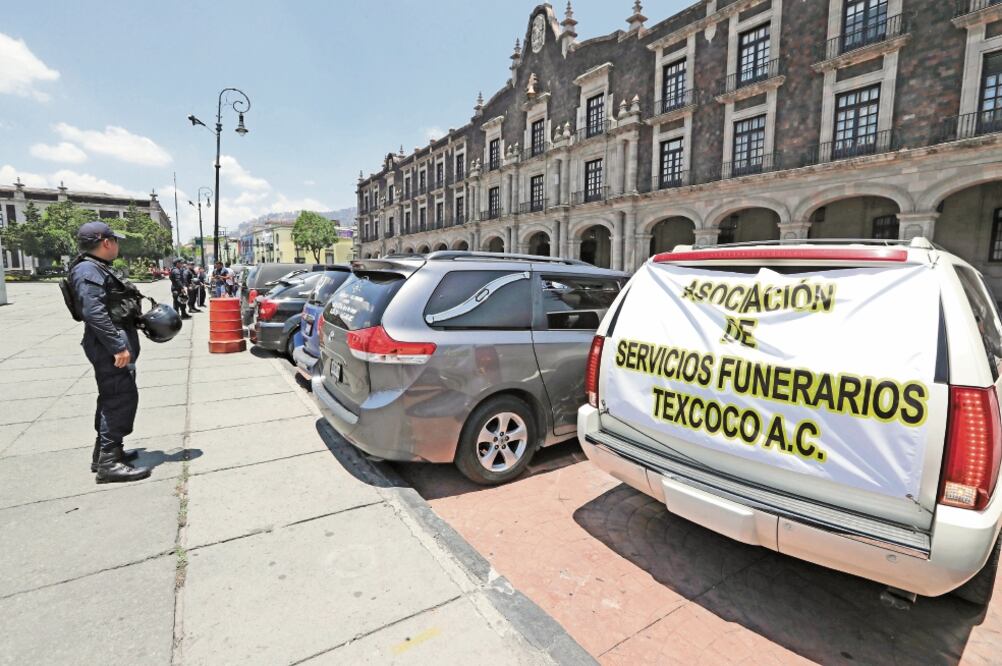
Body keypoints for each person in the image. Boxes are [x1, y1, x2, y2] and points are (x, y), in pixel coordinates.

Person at [66, 222, 153, 483]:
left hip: (109, 342)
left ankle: (106, 454)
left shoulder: (94, 267)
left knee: (112, 397)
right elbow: (94, 312)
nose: (117, 245)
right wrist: (118, 346)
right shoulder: (87, 270)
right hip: (108, 345)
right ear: (106, 242)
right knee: (118, 398)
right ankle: (109, 464)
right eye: (115, 240)